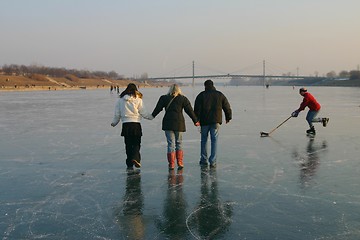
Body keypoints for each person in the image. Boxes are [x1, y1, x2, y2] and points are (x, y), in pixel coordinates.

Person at [151, 84, 199, 170]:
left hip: (168, 123)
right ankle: (180, 162)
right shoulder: (183, 98)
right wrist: (195, 121)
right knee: (179, 143)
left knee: (170, 144)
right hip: (179, 123)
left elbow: (158, 108)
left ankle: (172, 164)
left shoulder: (164, 98)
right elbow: (189, 110)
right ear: (179, 90)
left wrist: (152, 116)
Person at [111, 83, 153, 170]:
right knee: (136, 143)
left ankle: (129, 163)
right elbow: (143, 112)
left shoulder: (120, 100)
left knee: (128, 144)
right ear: (135, 90)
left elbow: (117, 114)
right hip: (136, 124)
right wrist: (151, 117)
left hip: (126, 125)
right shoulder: (138, 100)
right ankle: (136, 158)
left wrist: (114, 123)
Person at [194, 79, 232, 168]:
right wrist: (228, 117)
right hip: (215, 121)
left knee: (203, 140)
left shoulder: (201, 95)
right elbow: (227, 106)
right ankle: (213, 161)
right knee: (214, 140)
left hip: (204, 122)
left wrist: (196, 120)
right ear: (213, 85)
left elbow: (197, 109)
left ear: (205, 86)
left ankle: (203, 160)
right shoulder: (219, 95)